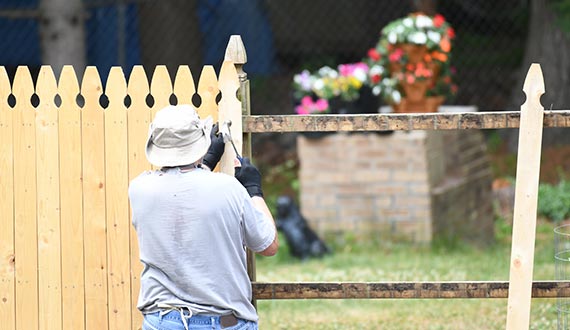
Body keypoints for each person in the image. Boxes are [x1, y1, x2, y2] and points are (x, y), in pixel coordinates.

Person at [128, 104, 278, 330]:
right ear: (200, 140)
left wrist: (205, 163)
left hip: (162, 322)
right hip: (221, 322)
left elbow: (182, 190)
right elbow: (268, 245)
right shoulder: (228, 188)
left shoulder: (139, 188)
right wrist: (254, 190)